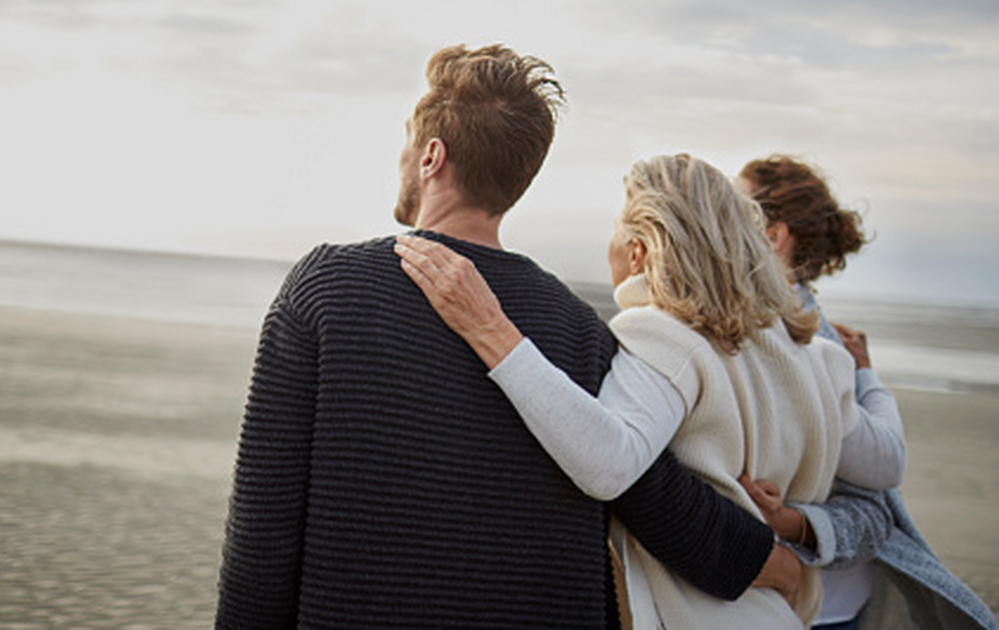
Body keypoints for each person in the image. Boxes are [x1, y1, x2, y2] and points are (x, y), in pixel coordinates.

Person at [216, 47, 792, 628]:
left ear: (431, 157)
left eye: (408, 144)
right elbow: (651, 497)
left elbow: (264, 523)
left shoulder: (327, 288)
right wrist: (772, 559)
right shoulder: (581, 329)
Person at [394, 152, 908, 629]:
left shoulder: (663, 334)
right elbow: (883, 465)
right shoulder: (819, 357)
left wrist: (492, 331)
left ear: (639, 251)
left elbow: (610, 462)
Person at [737, 155, 998, 630]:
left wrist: (867, 377)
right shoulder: (767, 323)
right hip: (792, 596)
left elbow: (881, 470)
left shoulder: (815, 342)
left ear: (774, 236)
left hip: (824, 604)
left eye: (736, 211)